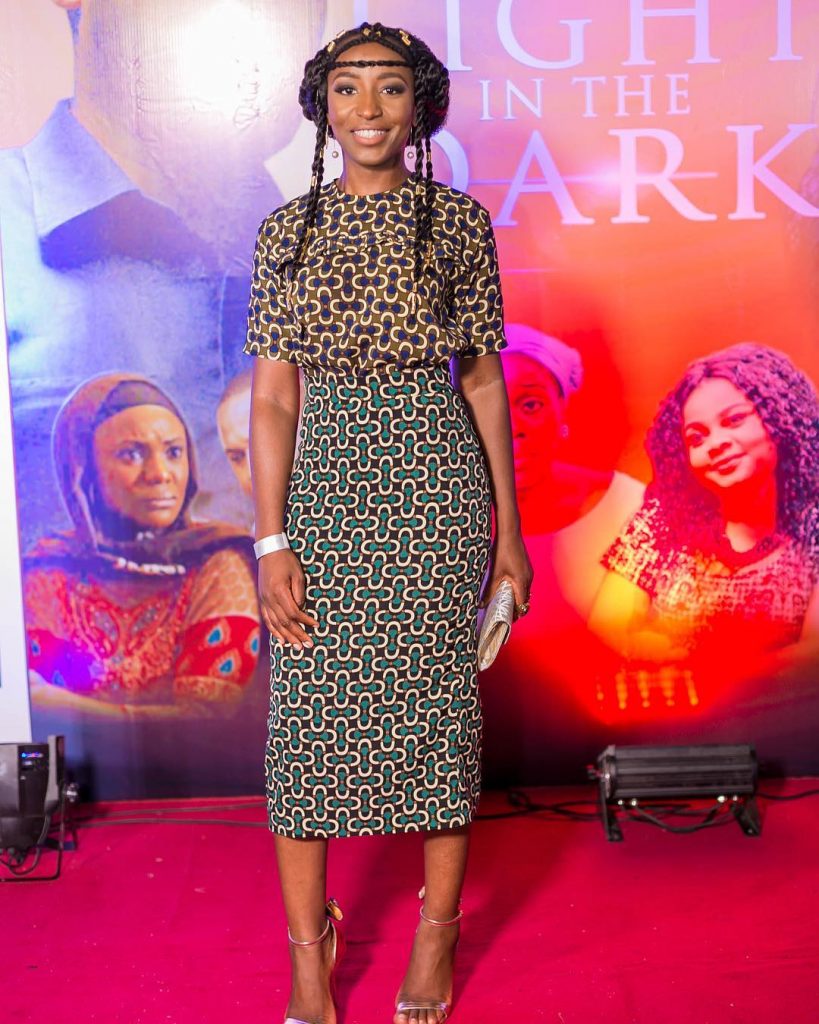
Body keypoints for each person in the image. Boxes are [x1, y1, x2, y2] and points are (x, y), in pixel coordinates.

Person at [243, 22, 532, 1024]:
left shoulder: (458, 225)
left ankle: (436, 937)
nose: (369, 108)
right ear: (322, 106)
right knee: (305, 731)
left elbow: (483, 381)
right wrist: (270, 538)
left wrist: (508, 531)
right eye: (348, 87)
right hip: (322, 495)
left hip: (435, 493)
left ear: (422, 105)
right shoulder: (287, 232)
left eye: (391, 88)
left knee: (439, 721)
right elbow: (272, 397)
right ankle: (308, 959)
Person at [589, 343, 819, 713]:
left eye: (734, 420)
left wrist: (685, 661)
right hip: (669, 723)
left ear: (781, 418)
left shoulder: (813, 526)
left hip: (785, 726)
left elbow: (811, 663)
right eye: (696, 438)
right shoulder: (662, 521)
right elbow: (605, 629)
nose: (715, 445)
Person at [24, 373, 260, 719]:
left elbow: (208, 720)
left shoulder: (217, 559)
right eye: (131, 454)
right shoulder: (49, 569)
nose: (160, 473)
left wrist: (68, 707)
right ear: (83, 470)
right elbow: (30, 704)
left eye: (174, 452)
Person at [480, 324, 645, 783]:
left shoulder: (631, 508)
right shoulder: (436, 520)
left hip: (614, 745)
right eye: (491, 404)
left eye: (531, 404)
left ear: (562, 411)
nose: (512, 426)